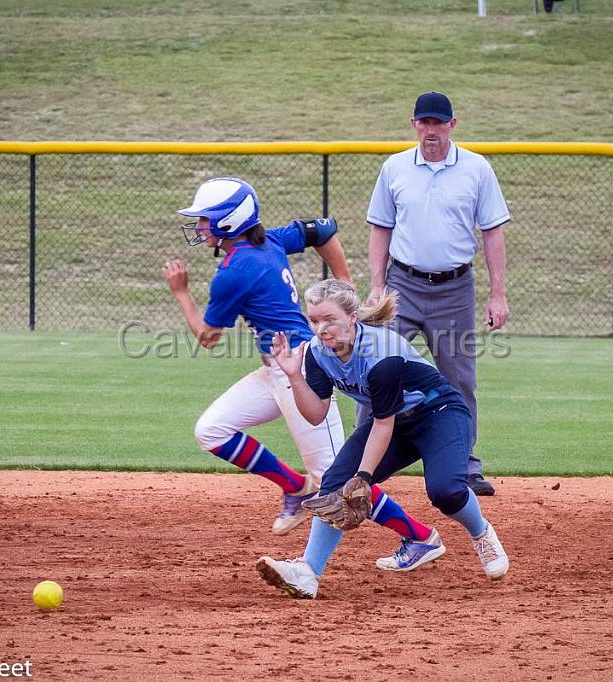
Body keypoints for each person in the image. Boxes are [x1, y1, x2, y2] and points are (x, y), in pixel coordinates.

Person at [165, 178, 440, 557]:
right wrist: (345, 281)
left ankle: (420, 536)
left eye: (205, 219)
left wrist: (181, 291)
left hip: (303, 368)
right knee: (211, 430)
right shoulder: (269, 239)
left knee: (335, 476)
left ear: (229, 222)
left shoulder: (235, 270)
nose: (199, 226)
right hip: (279, 366)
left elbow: (208, 336)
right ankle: (294, 486)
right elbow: (323, 231)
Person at [256, 279, 509, 599]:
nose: (321, 329)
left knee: (445, 490)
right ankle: (308, 572)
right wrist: (293, 376)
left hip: (439, 413)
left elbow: (383, 424)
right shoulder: (317, 353)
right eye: (315, 320)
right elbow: (316, 414)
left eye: (329, 319)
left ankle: (481, 534)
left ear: (352, 318)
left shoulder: (380, 353)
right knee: (334, 484)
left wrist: (363, 477)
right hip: (393, 421)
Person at [362, 91, 511, 498]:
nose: (430, 130)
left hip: (455, 288)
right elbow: (380, 228)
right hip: (401, 285)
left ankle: (464, 465)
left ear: (452, 125)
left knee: (459, 379)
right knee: (377, 367)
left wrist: (497, 294)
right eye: (423, 122)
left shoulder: (476, 169)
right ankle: (359, 468)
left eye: (437, 123)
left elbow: (492, 232)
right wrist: (377, 285)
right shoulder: (394, 168)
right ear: (413, 125)